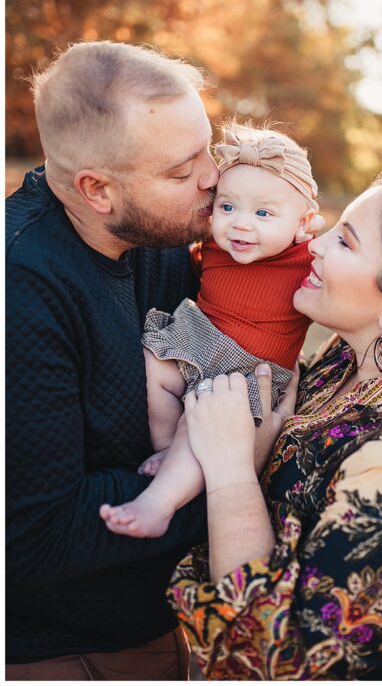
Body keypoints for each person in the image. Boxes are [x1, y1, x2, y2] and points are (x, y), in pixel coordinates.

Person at [166, 169, 382, 679]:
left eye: (343, 241)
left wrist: (232, 472)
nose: (313, 245)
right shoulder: (347, 362)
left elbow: (279, 662)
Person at [5, 41, 219, 678]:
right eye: (183, 172)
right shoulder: (20, 290)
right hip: (61, 647)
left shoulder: (158, 230)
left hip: (158, 618)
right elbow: (36, 533)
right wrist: (233, 479)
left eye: (210, 147)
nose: (212, 177)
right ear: (97, 190)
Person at [100, 123, 319, 539]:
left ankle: (158, 503)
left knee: (199, 422)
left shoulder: (308, 261)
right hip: (200, 337)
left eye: (263, 213)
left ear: (303, 222)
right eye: (228, 207)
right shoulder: (215, 245)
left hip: (251, 369)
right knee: (152, 365)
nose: (240, 225)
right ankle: (165, 449)